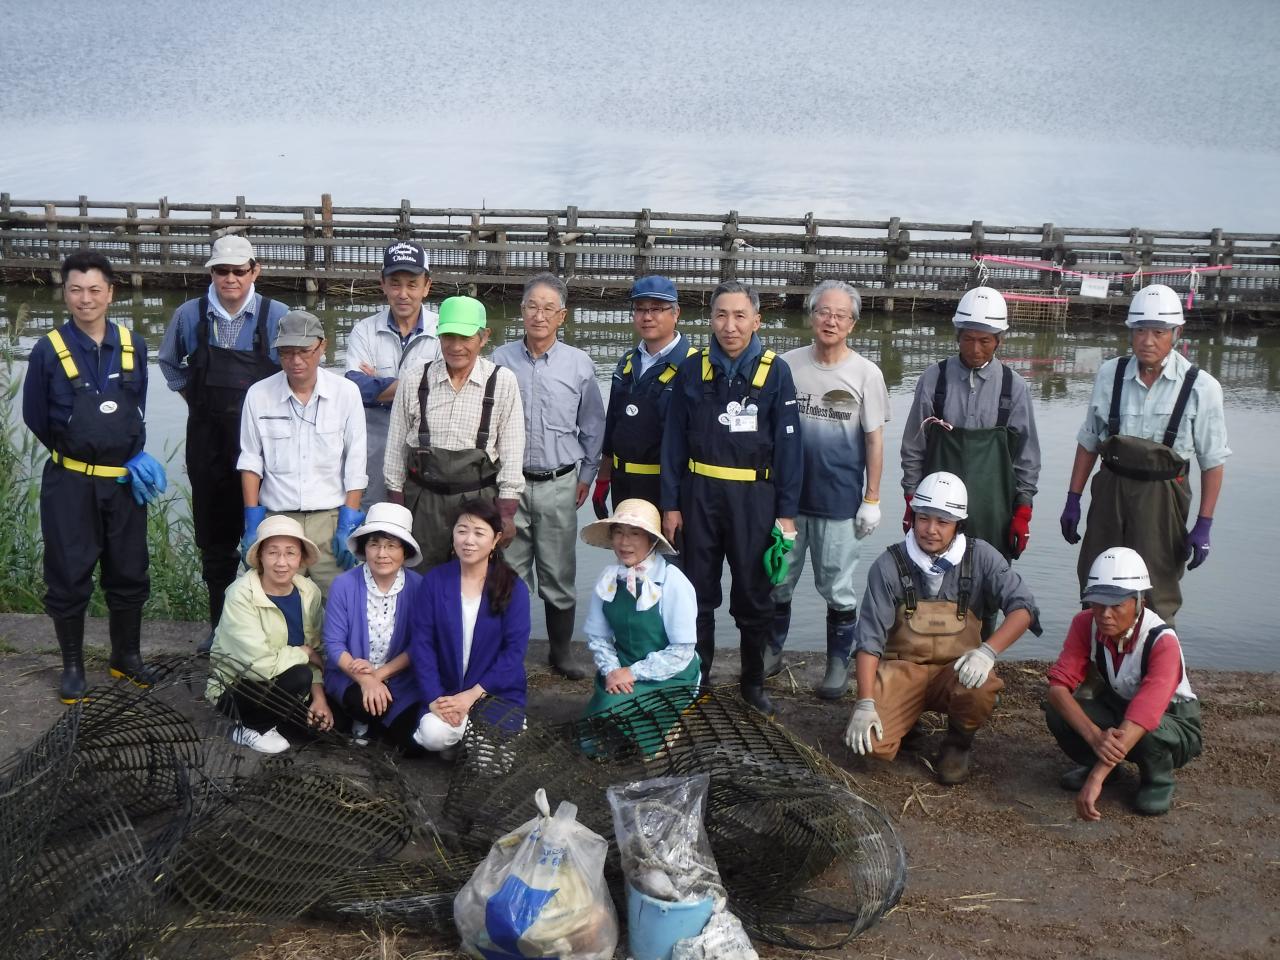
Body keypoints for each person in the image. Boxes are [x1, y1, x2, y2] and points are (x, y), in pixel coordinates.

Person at [22, 250, 167, 703]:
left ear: (111, 293)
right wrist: (79, 450)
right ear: (64, 293)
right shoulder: (47, 350)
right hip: (70, 483)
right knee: (68, 573)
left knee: (129, 571)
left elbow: (136, 405)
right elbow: (35, 417)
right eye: (75, 290)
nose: (86, 299)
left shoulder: (134, 345)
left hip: (124, 483)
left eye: (95, 290)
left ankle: (126, 656)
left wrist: (127, 452)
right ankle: (71, 666)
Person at [660, 279, 803, 716]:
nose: (730, 325)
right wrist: (671, 504)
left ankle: (752, 682)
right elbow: (672, 442)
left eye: (740, 316)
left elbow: (790, 448)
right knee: (696, 593)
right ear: (710, 319)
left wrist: (787, 514)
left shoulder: (776, 371)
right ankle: (697, 677)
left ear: (757, 320)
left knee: (754, 594)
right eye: (721, 315)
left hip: (754, 499)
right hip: (699, 494)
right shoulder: (691, 368)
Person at [843, 471, 1041, 784]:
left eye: (942, 521)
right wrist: (864, 701)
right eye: (923, 518)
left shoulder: (983, 558)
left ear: (958, 524)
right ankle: (904, 722)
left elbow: (1024, 607)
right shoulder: (888, 564)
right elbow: (868, 641)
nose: (931, 530)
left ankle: (958, 744)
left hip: (957, 671)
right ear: (913, 516)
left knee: (982, 687)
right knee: (870, 748)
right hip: (901, 672)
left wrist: (988, 651)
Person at [1059, 283, 1229, 623]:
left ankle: (1157, 669)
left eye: (1158, 331)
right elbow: (1090, 439)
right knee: (1098, 574)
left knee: (1157, 584)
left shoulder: (1202, 386)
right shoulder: (1111, 374)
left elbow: (1213, 461)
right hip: (1111, 489)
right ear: (1130, 332)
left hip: (1163, 496)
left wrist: (1204, 524)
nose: (1147, 340)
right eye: (1139, 330)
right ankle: (1097, 668)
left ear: (1176, 333)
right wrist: (1073, 498)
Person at [158, 235, 288, 651]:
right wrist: (196, 400)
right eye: (221, 271)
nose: (230, 279)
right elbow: (168, 363)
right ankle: (218, 627)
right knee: (215, 547)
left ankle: (272, 633)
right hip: (209, 446)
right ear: (211, 273)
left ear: (255, 270)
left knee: (272, 543)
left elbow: (297, 372)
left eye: (239, 270)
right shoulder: (189, 315)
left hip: (267, 451)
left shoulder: (276, 315)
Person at [768, 280, 889, 699]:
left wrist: (872, 498)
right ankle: (772, 649)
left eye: (841, 315)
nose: (831, 320)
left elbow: (874, 440)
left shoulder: (866, 374)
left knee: (837, 587)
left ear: (852, 324)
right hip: (786, 499)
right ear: (811, 315)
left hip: (839, 500)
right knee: (778, 579)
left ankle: (838, 662)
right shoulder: (785, 365)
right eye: (823, 311)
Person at [899, 287, 1040, 636]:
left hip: (994, 508)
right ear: (957, 335)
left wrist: (1023, 510)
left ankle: (982, 656)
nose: (975, 349)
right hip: (937, 507)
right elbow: (914, 446)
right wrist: (910, 499)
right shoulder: (935, 379)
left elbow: (1027, 457)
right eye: (968, 339)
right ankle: (934, 651)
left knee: (988, 586)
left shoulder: (1015, 387)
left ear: (1000, 340)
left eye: (985, 341)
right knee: (933, 581)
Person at [493, 273, 605, 680]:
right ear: (520, 311)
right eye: (531, 307)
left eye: (548, 309)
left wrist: (588, 473)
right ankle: (511, 655)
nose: (539, 316)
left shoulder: (579, 364)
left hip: (560, 482)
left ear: (562, 316)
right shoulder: (498, 361)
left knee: (559, 573)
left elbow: (592, 424)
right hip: (510, 484)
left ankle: (561, 653)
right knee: (509, 572)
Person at [1045, 547, 1201, 819]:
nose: (1105, 614)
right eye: (1097, 602)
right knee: (1058, 712)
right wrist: (1095, 737)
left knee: (1148, 731)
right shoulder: (1085, 624)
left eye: (1116, 604)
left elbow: (1144, 715)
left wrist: (1095, 779)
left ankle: (1158, 780)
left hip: (1172, 723)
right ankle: (1109, 768)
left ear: (1139, 601)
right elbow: (1058, 688)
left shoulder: (1162, 641)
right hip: (1120, 708)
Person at [384, 296, 525, 569]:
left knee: (476, 583)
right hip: (422, 506)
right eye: (448, 336)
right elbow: (394, 454)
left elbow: (512, 453)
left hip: (479, 503)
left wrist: (506, 514)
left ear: (484, 337)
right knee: (419, 582)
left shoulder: (503, 382)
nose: (456, 346)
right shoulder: (415, 380)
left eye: (465, 337)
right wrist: (395, 513)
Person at [238, 310, 368, 596]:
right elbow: (250, 461)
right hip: (278, 519)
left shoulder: (346, 393)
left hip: (330, 518)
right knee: (275, 602)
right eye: (286, 352)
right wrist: (252, 522)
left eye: (304, 351)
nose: (296, 361)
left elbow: (355, 461)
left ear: (323, 346)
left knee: (337, 601)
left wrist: (348, 519)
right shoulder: (259, 395)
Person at [409, 498, 531, 755]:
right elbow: (422, 645)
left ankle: (475, 737)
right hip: (447, 692)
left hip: (493, 694)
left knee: (489, 767)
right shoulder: (434, 581)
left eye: (479, 532)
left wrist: (472, 695)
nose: (469, 540)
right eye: (462, 531)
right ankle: (462, 735)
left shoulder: (513, 587)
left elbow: (513, 653)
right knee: (432, 736)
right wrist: (434, 698)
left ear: (496, 539)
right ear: (453, 534)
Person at [579, 498, 700, 749]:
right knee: (595, 726)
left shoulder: (673, 582)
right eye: (618, 533)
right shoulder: (609, 578)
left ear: (652, 540)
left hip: (671, 673)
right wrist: (613, 671)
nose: (624, 543)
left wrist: (632, 673)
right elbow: (599, 638)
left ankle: (670, 721)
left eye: (635, 534)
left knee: (613, 714)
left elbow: (682, 651)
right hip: (621, 667)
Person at [206, 515, 333, 754]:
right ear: (261, 557)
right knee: (299, 676)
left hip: (285, 682)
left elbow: (316, 650)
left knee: (318, 729)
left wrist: (319, 698)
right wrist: (303, 652)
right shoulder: (240, 595)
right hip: (238, 686)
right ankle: (250, 727)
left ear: (301, 558)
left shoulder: (309, 592)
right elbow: (259, 665)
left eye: (290, 553)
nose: (281, 562)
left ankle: (276, 719)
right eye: (273, 552)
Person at [345, 241, 441, 508]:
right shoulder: (364, 330)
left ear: (427, 286)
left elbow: (446, 393)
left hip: (425, 451)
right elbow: (356, 387)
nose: (403, 293)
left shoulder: (443, 330)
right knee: (370, 531)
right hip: (374, 450)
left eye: (412, 284)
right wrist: (421, 383)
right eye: (395, 283)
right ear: (383, 284)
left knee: (421, 523)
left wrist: (381, 385)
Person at [323, 502, 425, 748]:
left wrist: (379, 675)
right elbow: (333, 643)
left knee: (413, 745)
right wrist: (365, 680)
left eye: (392, 546)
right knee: (364, 704)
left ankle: (373, 722)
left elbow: (418, 645)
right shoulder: (344, 584)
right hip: (351, 674)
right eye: (374, 544)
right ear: (364, 548)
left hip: (397, 677)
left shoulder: (419, 587)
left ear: (406, 551)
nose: (382, 554)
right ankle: (360, 717)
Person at [592, 275, 697, 515]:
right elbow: (613, 426)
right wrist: (603, 477)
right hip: (625, 484)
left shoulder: (695, 366)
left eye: (657, 309)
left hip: (670, 489)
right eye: (640, 309)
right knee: (627, 551)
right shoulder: (627, 363)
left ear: (676, 312)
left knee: (670, 553)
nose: (647, 317)